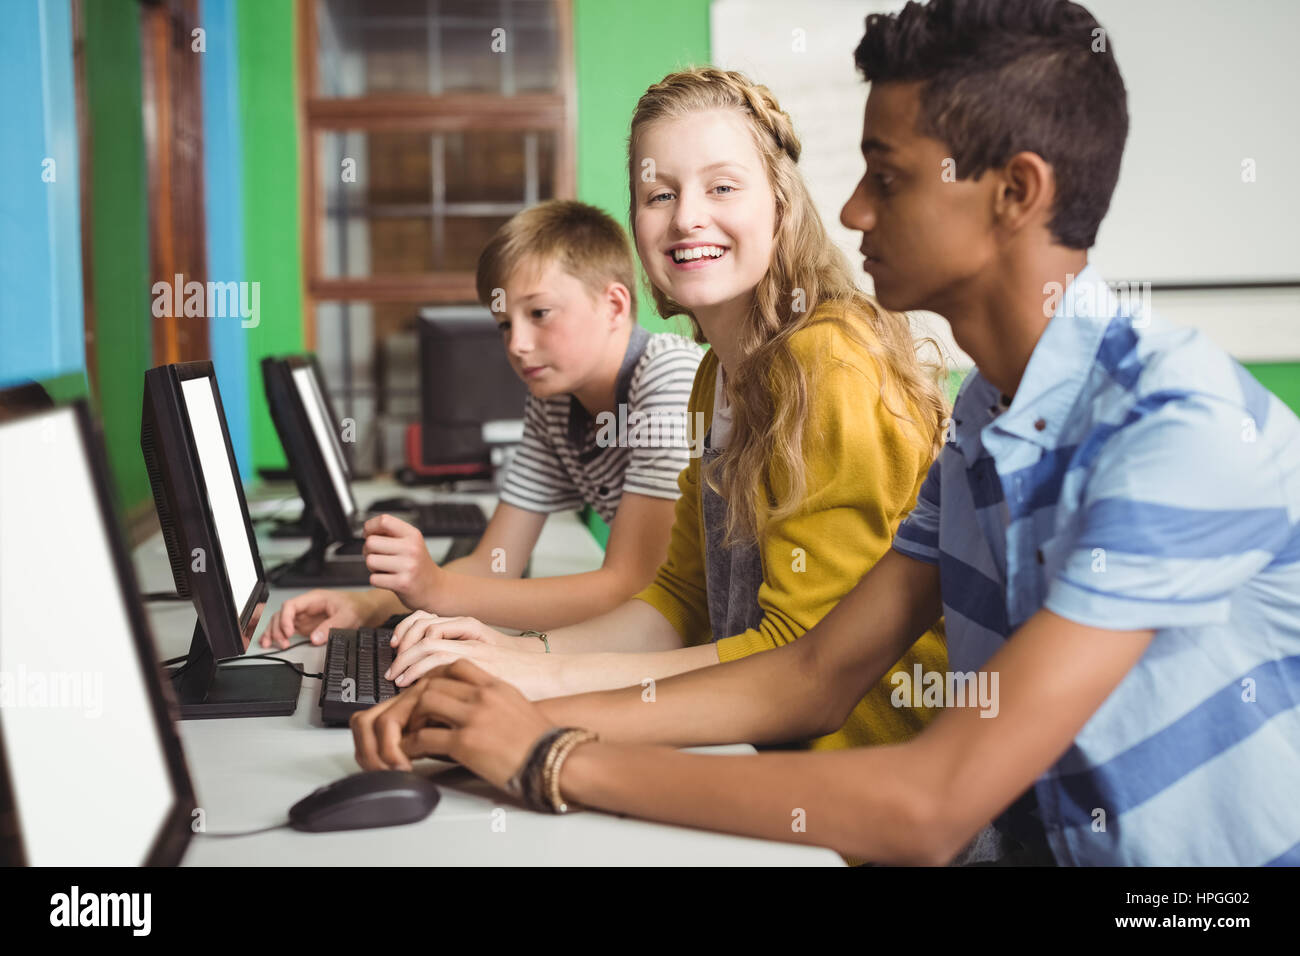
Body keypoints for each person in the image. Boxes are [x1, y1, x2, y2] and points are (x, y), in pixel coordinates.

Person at [351, 0, 1300, 866]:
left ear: (1016, 192)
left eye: (886, 178)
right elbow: (814, 672)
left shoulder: (1177, 429)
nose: (849, 210)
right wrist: (512, 701)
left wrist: (551, 755)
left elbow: (930, 806)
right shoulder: (986, 420)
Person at [362, 66, 950, 756]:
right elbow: (679, 601)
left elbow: (805, 656)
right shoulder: (714, 377)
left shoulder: (828, 362)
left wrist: (539, 677)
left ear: (782, 206)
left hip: (856, 792)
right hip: (758, 748)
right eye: (658, 194)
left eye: (722, 187)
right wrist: (515, 651)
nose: (687, 216)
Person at [260, 200, 702, 645]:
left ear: (613, 305)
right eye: (504, 325)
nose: (518, 345)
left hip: (723, 646)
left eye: (539, 313)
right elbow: (495, 561)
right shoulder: (554, 401)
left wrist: (437, 588)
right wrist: (368, 606)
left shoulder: (669, 374)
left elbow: (632, 586)